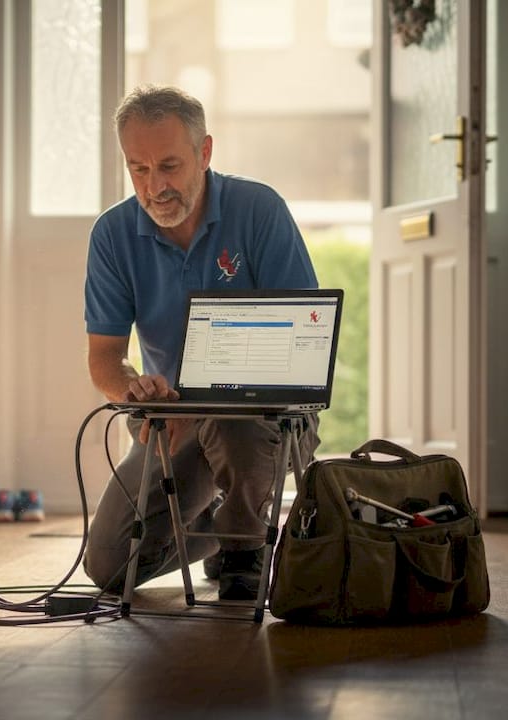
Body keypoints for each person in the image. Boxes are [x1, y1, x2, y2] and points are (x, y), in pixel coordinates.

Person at [83, 85, 321, 600]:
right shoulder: (112, 234)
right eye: (139, 170)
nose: (155, 187)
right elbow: (104, 360)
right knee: (107, 566)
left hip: (264, 414)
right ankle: (222, 533)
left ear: (205, 152)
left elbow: (304, 341)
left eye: (169, 166)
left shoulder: (259, 210)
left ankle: (244, 546)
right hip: (174, 424)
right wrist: (136, 393)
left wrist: (210, 396)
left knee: (235, 426)